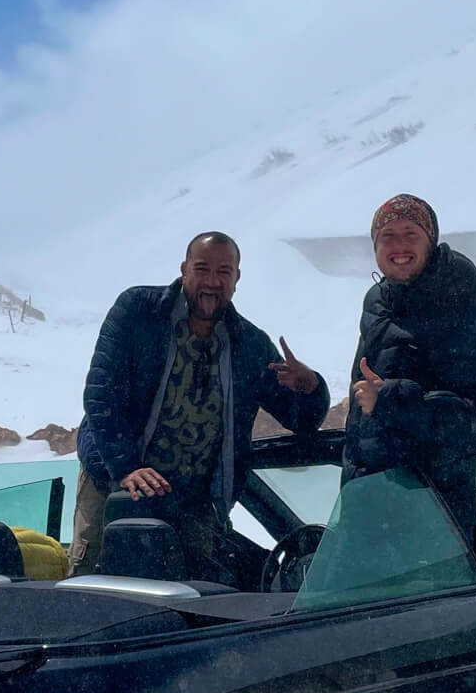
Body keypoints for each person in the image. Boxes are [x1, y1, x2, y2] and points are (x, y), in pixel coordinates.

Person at [342, 194, 476, 693]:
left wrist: (397, 401)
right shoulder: (379, 306)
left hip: (433, 523)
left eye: (410, 234)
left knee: (430, 671)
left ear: (431, 241)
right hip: (373, 519)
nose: (399, 246)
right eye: (387, 236)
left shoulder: (461, 310)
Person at [74, 231, 330, 583]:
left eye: (224, 272)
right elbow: (101, 396)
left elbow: (301, 420)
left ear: (237, 279)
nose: (212, 282)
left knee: (194, 601)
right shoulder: (138, 312)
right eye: (202, 269)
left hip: (192, 505)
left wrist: (311, 386)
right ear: (184, 270)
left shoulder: (250, 345)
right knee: (92, 589)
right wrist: (126, 467)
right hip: (114, 487)